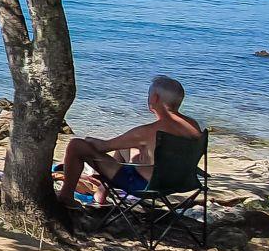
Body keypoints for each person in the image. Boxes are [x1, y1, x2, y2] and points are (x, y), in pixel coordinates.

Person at [57, 75, 203, 206]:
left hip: (144, 185)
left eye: (149, 94)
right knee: (125, 147)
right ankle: (102, 191)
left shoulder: (147, 132)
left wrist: (89, 140)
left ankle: (66, 196)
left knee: (76, 145)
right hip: (181, 182)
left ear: (155, 98)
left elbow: (104, 147)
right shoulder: (193, 126)